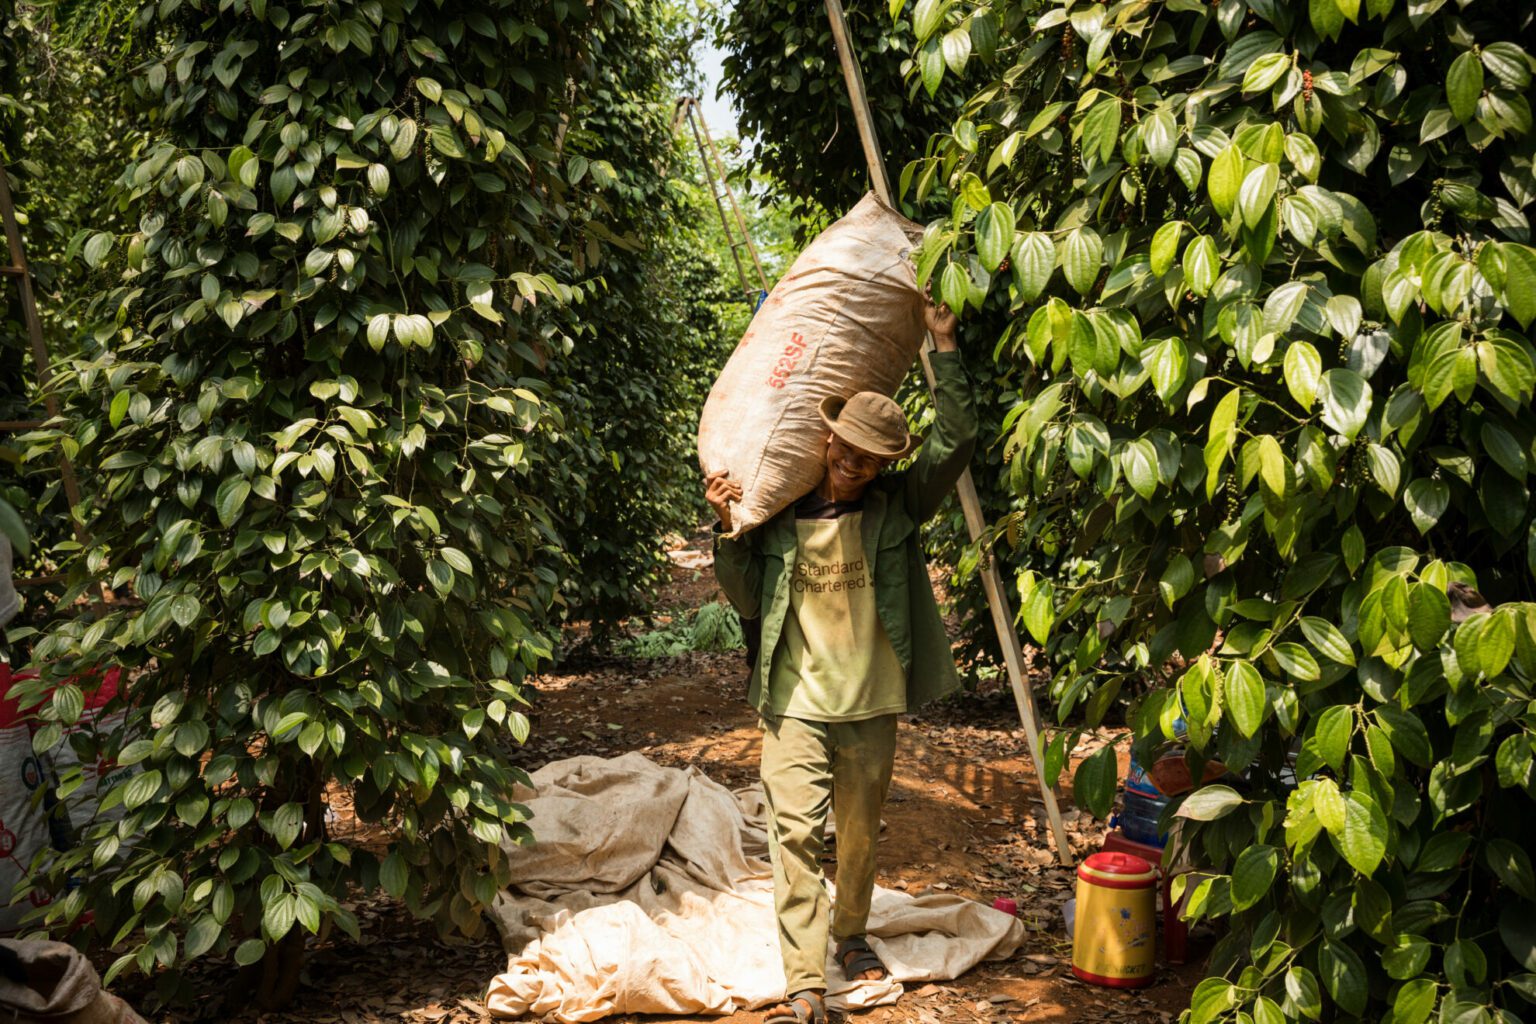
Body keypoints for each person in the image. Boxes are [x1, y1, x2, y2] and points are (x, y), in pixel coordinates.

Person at [704, 298, 975, 1024]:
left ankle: (850, 933)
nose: (852, 466)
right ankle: (804, 978)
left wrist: (943, 347)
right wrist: (728, 528)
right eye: (844, 449)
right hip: (793, 698)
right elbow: (744, 596)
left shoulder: (896, 507)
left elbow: (955, 442)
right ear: (825, 439)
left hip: (870, 698)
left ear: (886, 464)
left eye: (869, 459)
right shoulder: (782, 511)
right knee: (793, 835)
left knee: (858, 832)